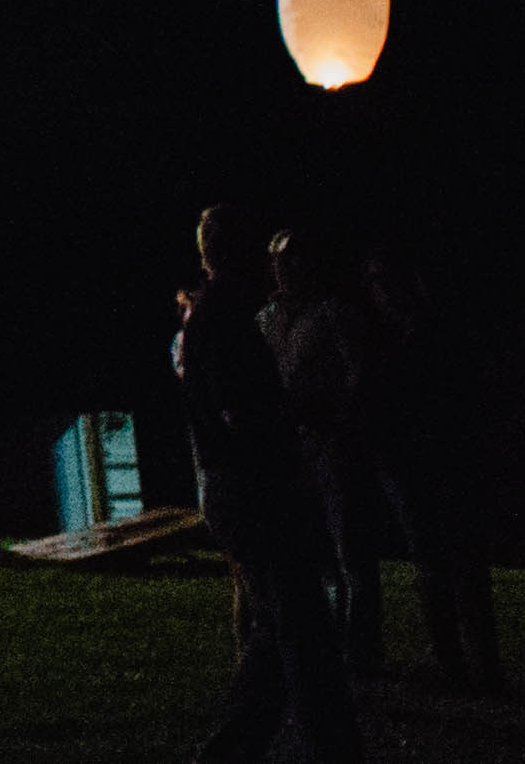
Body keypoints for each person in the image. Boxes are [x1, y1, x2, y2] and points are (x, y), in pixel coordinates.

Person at [174, 208, 356, 764]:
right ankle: (329, 747)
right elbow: (240, 412)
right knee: (303, 630)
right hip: (255, 490)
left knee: (277, 632)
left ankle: (235, 747)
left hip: (237, 490)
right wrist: (292, 423)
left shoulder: (213, 315)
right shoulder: (226, 317)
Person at [361, 246, 504, 695]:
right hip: (417, 464)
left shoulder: (418, 334)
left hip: (435, 460)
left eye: (383, 282)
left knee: (453, 567)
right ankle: (460, 666)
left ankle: (472, 666)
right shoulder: (393, 336)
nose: (379, 292)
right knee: (439, 567)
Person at [262, 231, 386, 672]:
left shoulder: (333, 313)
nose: (287, 269)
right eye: (279, 260)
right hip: (291, 451)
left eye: (295, 260)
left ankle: (362, 650)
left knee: (351, 550)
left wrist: (338, 417)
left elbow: (361, 372)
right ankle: (329, 645)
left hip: (334, 446)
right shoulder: (268, 319)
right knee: (314, 555)